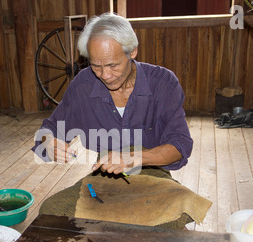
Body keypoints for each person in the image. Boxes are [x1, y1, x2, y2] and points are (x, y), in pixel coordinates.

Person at [32, 13, 201, 229]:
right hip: (104, 179)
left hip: (152, 173)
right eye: (96, 66)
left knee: (167, 226)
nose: (105, 75)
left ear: (132, 52)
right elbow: (50, 129)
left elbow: (180, 145)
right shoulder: (83, 86)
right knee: (52, 213)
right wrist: (49, 142)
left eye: (113, 65)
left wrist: (132, 158)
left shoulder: (163, 83)